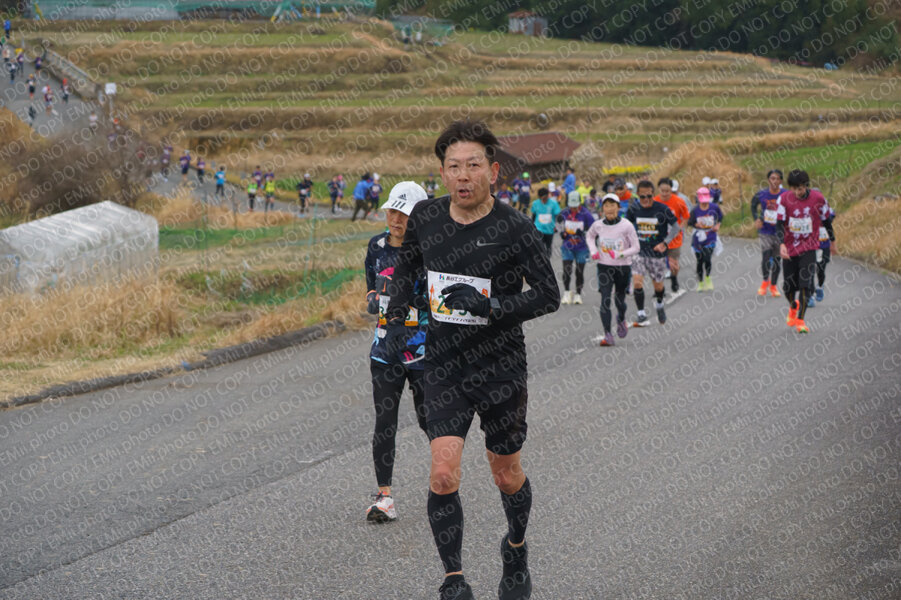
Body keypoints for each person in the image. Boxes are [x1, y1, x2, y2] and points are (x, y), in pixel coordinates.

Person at [385, 119, 559, 600]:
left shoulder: (514, 227)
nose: (463, 176)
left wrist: (491, 306)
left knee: (505, 472)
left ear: (493, 171)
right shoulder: (425, 217)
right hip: (444, 364)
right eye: (454, 167)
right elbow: (406, 268)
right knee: (443, 473)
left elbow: (548, 294)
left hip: (501, 366)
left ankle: (516, 548)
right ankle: (454, 580)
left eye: (473, 166)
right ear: (442, 173)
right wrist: (395, 321)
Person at [364, 181, 430, 523]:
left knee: (428, 419)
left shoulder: (430, 249)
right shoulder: (376, 246)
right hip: (384, 350)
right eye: (392, 211)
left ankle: (445, 482)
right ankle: (384, 496)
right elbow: (370, 286)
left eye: (403, 214)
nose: (395, 219)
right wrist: (374, 300)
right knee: (384, 422)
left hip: (423, 351)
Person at [777, 169, 827, 334]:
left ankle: (800, 320)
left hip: (809, 247)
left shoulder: (818, 198)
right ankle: (793, 306)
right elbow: (779, 223)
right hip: (790, 248)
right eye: (794, 188)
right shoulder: (783, 199)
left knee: (805, 284)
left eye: (801, 188)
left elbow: (826, 218)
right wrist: (781, 244)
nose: (798, 192)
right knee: (788, 287)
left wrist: (831, 239)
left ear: (806, 186)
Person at [586, 194, 640, 346]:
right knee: (605, 299)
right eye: (606, 206)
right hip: (604, 266)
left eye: (612, 205)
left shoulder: (627, 226)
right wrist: (593, 251)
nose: (609, 209)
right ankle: (608, 334)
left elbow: (636, 247)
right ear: (602, 209)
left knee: (619, 300)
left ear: (618, 207)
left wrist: (620, 254)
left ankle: (621, 318)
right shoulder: (597, 225)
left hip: (623, 267)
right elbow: (590, 236)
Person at [626, 180, 679, 327]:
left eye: (649, 196)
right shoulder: (634, 209)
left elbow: (676, 227)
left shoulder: (662, 209)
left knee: (658, 287)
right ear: (638, 195)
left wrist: (665, 243)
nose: (646, 200)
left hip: (657, 254)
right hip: (639, 251)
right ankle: (641, 313)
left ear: (653, 194)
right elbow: (626, 225)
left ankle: (660, 304)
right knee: (637, 282)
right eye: (642, 197)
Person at [751, 169, 785, 297]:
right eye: (772, 178)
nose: (774, 181)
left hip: (780, 232)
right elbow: (753, 205)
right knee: (766, 256)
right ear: (768, 180)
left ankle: (774, 286)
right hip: (765, 230)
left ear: (781, 181)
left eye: (777, 179)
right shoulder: (762, 194)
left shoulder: (785, 194)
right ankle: (765, 281)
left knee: (777, 260)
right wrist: (756, 219)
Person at [557, 190, 595, 305]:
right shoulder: (564, 212)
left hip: (581, 248)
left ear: (580, 203)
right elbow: (558, 223)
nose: (573, 208)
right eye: (571, 206)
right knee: (566, 270)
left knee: (579, 271)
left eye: (575, 206)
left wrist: (583, 233)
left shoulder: (586, 214)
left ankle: (578, 294)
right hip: (567, 246)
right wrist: (562, 233)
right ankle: (567, 292)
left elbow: (594, 230)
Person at [655, 178, 690, 298]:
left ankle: (674, 278)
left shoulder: (679, 201)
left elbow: (686, 216)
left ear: (671, 190)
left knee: (673, 265)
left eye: (668, 191)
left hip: (674, 238)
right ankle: (659, 288)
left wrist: (680, 227)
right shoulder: (654, 202)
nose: (665, 194)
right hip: (659, 238)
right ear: (659, 189)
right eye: (662, 191)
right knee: (658, 265)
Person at [688, 187, 723, 291]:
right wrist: (696, 224)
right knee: (700, 261)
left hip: (710, 235)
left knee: (707, 259)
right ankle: (700, 282)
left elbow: (720, 217)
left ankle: (708, 277)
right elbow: (690, 222)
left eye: (706, 200)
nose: (704, 203)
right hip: (698, 237)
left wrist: (718, 225)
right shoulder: (695, 210)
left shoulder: (714, 207)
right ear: (698, 199)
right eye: (702, 201)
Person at [813, 199, 836, 305]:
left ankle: (820, 286)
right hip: (811, 245)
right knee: (809, 269)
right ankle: (809, 294)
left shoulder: (826, 208)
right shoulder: (807, 209)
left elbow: (831, 219)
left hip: (824, 244)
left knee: (821, 268)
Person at [530, 187, 560, 256]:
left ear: (548, 196)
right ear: (539, 197)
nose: (543, 200)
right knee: (539, 246)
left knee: (548, 246)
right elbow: (533, 215)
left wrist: (556, 226)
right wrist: (532, 226)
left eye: (545, 198)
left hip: (549, 229)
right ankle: (540, 259)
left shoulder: (554, 203)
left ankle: (547, 259)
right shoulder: (535, 203)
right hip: (538, 228)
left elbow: (557, 216)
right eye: (542, 199)